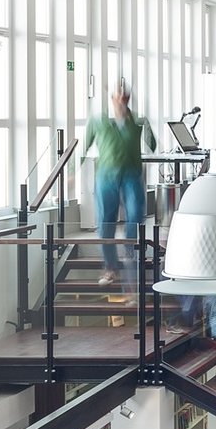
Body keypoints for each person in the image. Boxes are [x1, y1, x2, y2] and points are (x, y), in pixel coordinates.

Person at [80, 79, 154, 284]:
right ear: (111, 97)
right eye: (118, 94)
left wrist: (140, 122)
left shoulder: (138, 121)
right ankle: (111, 267)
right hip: (106, 176)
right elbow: (83, 147)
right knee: (105, 220)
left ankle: (131, 255)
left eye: (125, 95)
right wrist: (70, 172)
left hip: (131, 174)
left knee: (136, 214)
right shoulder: (98, 121)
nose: (122, 98)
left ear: (129, 98)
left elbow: (153, 143)